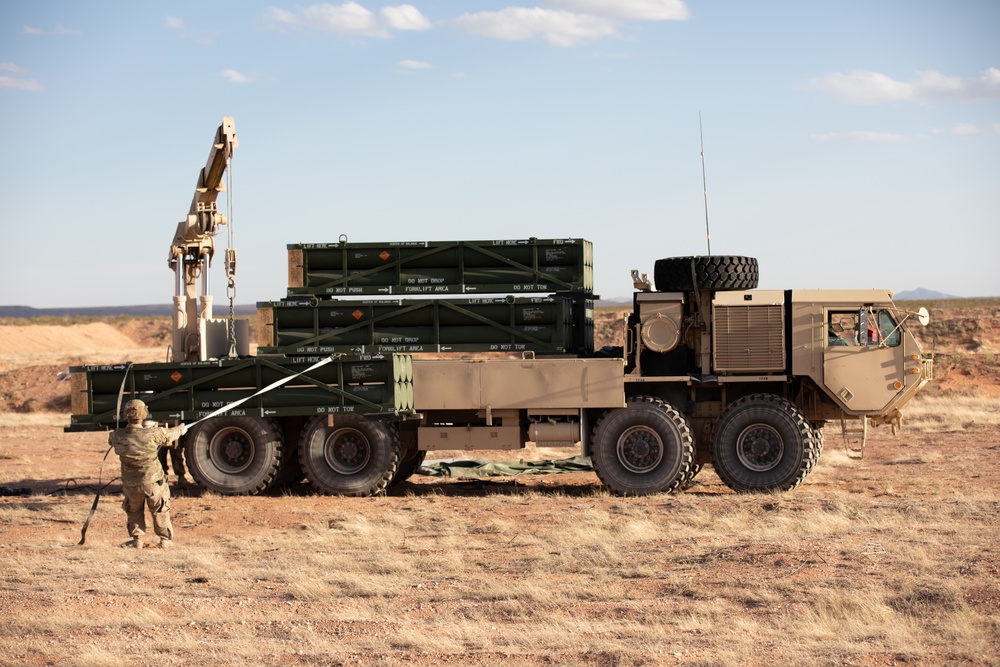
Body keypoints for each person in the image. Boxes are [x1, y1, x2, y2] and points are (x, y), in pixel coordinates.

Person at [109, 399, 187, 549]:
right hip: (153, 482)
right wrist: (181, 428)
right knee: (160, 510)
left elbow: (113, 440)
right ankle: (164, 540)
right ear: (143, 414)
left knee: (134, 510)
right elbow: (172, 435)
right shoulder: (153, 433)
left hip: (131, 484)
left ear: (126, 414)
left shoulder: (116, 435)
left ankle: (137, 540)